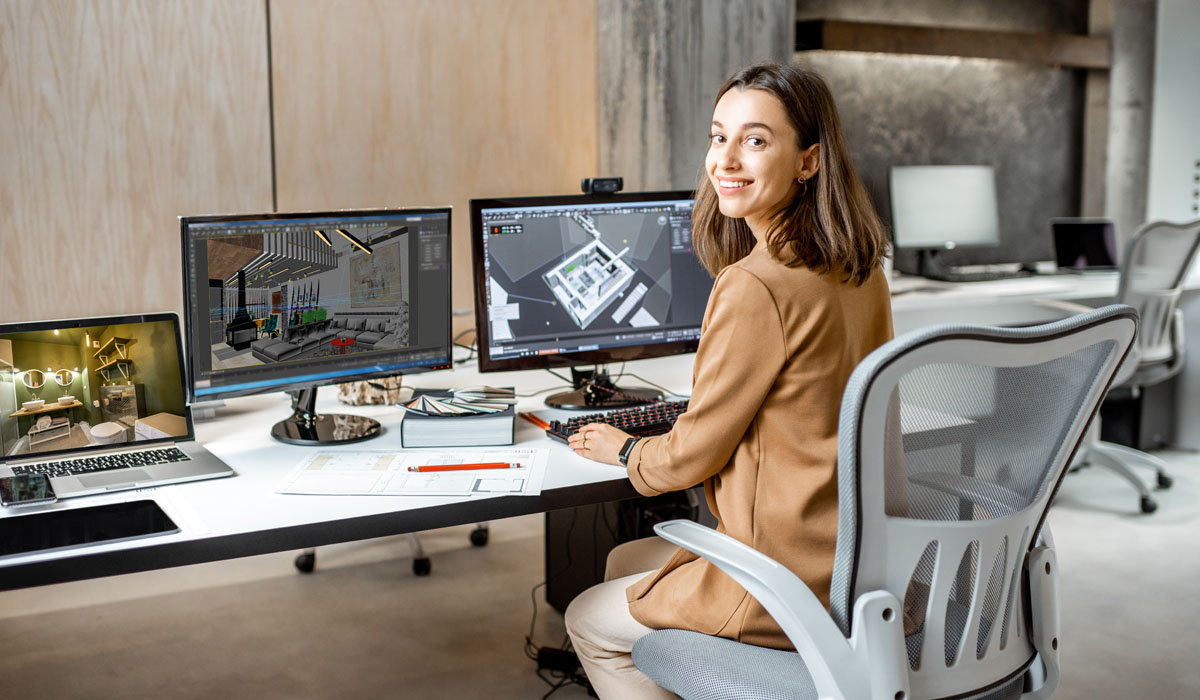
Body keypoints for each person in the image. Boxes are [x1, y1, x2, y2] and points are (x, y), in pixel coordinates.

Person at [562, 62, 894, 699]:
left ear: (808, 161)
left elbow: (691, 456)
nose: (727, 160)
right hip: (853, 562)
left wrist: (626, 449)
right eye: (720, 137)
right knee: (625, 563)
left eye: (757, 140)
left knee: (586, 619)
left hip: (783, 577)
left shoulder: (755, 283)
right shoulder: (861, 268)